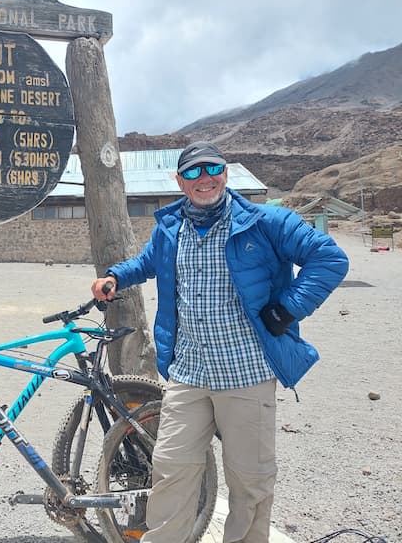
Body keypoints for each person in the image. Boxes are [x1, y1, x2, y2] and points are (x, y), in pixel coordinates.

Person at [91, 141, 348, 543]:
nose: (203, 179)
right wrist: (115, 277)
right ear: (179, 181)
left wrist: (287, 310)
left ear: (226, 173)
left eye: (211, 169)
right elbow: (146, 263)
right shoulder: (170, 227)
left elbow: (329, 258)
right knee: (171, 471)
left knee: (250, 480)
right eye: (192, 173)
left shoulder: (266, 221)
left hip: (246, 372)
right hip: (189, 373)